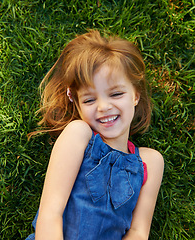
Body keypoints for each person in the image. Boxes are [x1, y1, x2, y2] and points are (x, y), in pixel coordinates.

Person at [26, 30, 164, 240]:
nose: (103, 107)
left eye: (116, 94)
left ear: (135, 94)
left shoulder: (150, 162)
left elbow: (138, 232)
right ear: (76, 101)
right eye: (89, 100)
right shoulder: (78, 135)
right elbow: (50, 213)